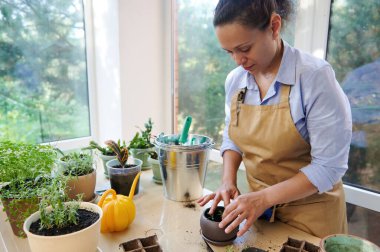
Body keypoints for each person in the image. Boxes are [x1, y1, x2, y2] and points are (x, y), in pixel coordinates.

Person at [197, 0, 352, 238]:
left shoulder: (314, 78)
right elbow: (233, 137)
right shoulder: (236, 80)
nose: (238, 60)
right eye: (230, 52)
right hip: (259, 215)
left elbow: (329, 167)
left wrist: (263, 198)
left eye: (245, 48)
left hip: (312, 219)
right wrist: (228, 180)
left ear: (274, 26)